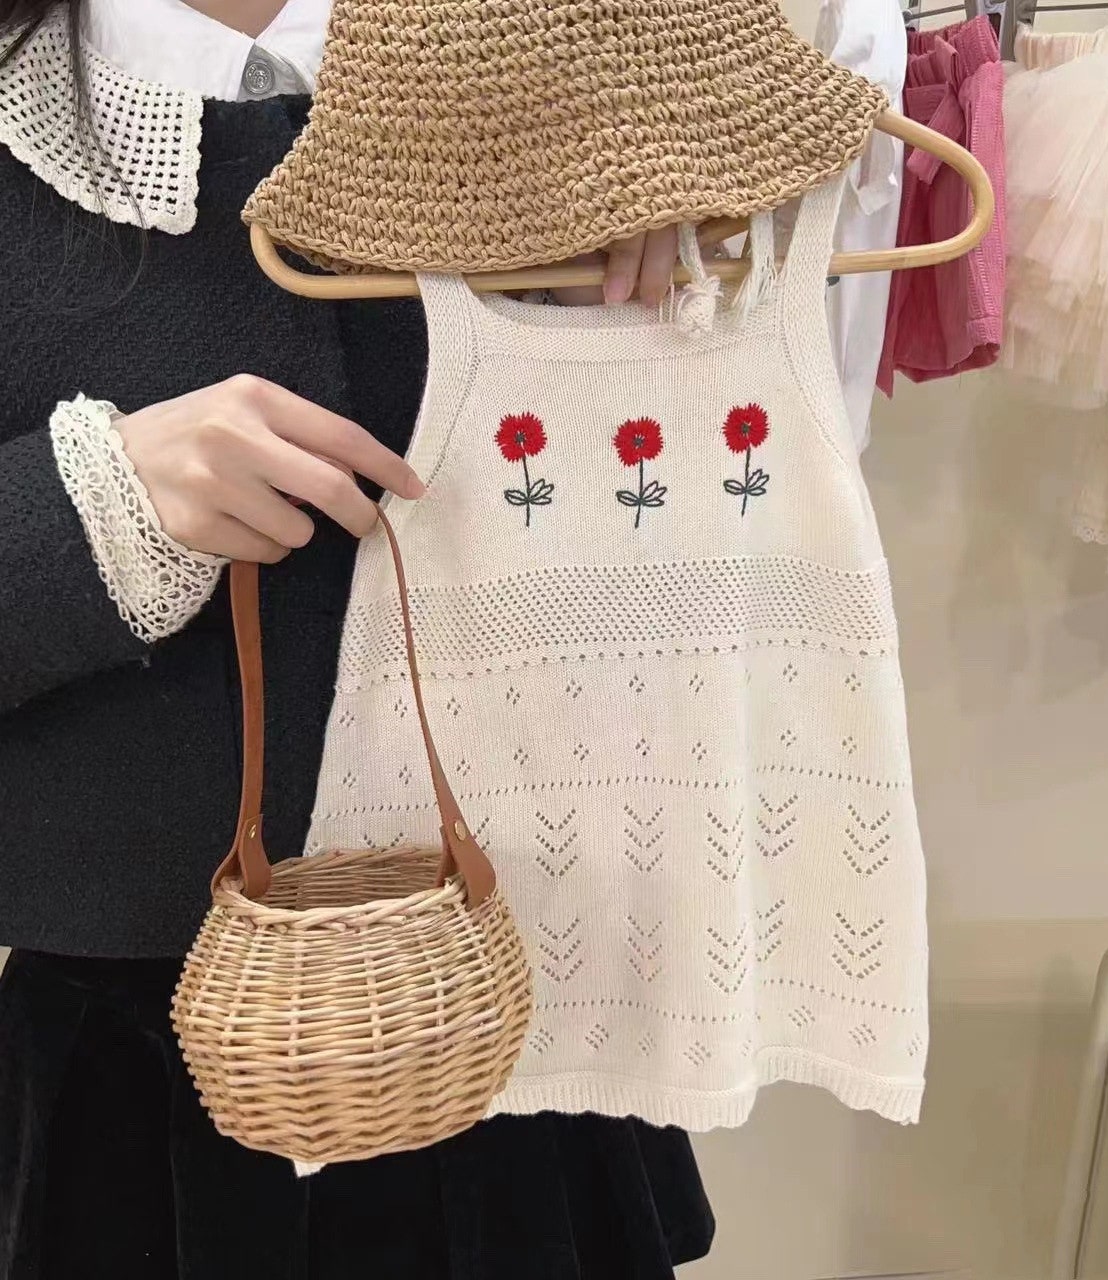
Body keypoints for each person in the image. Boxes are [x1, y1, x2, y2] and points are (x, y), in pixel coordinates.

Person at [0, 2, 712, 1277]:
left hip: (522, 1022)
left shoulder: (579, 77)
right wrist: (95, 507)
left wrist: (653, 320)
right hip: (132, 1089)